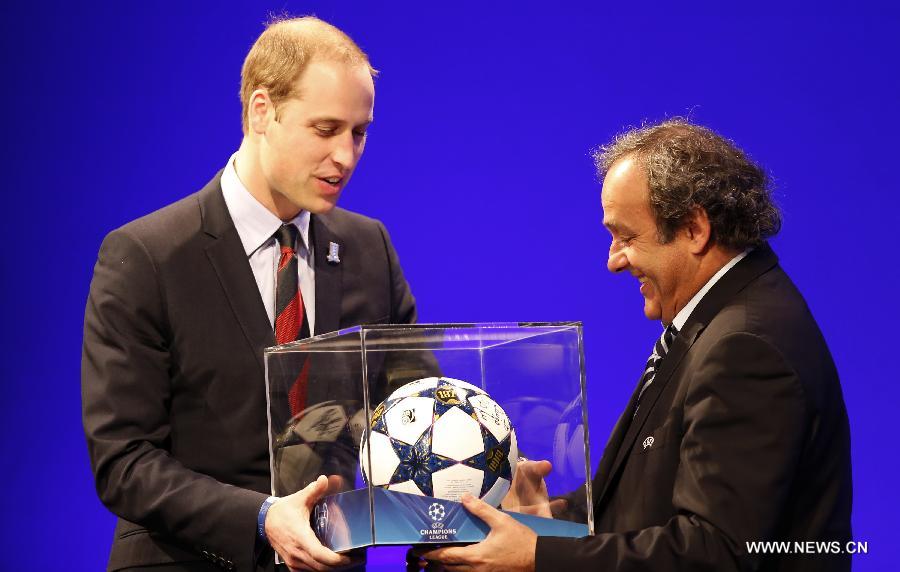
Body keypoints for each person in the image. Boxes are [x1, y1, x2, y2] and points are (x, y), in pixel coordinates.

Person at [422, 119, 852, 571]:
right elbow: (647, 507)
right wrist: (553, 520)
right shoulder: (720, 320)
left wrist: (537, 555)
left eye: (626, 237)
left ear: (693, 229)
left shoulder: (745, 347)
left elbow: (716, 552)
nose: (613, 261)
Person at [82, 16, 417, 572]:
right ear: (262, 111)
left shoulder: (369, 248)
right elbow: (123, 461)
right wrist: (261, 516)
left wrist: (483, 469)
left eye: (359, 132)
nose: (347, 156)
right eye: (326, 128)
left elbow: (412, 408)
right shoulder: (147, 256)